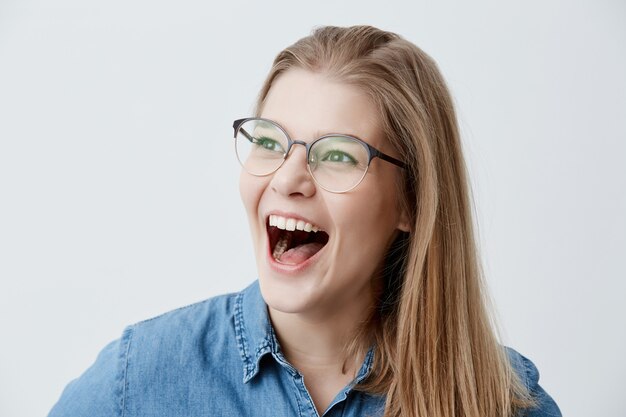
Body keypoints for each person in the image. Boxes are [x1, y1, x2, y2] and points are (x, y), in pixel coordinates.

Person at [48, 25, 561, 417]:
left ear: (410, 201)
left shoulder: (505, 401)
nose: (288, 178)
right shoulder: (138, 379)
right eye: (270, 142)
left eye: (337, 155)